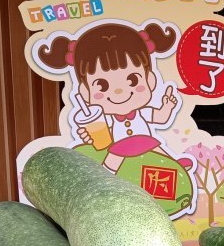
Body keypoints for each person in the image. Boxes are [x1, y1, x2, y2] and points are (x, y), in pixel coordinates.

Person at [37, 21, 193, 173]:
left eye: (133, 80)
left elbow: (160, 118)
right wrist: (88, 136)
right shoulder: (102, 119)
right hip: (119, 147)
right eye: (102, 85)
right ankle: (104, 176)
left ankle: (174, 165)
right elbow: (100, 136)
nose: (119, 91)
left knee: (156, 149)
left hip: (143, 142)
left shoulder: (141, 113)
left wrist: (167, 106)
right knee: (114, 157)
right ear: (85, 92)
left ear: (150, 79)